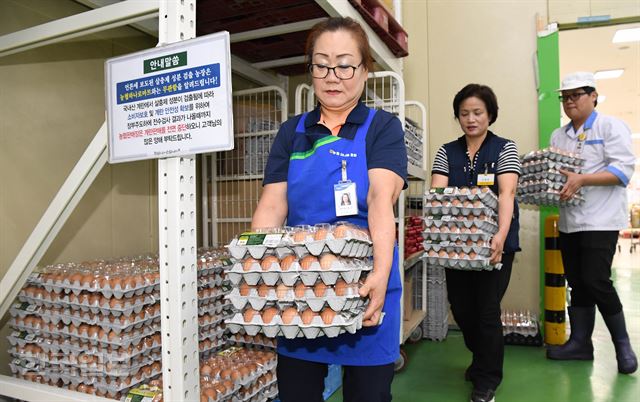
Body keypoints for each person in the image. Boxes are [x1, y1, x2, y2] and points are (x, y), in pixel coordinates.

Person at [251, 17, 407, 402]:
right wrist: (254, 267)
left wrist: (380, 276)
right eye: (321, 64)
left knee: (368, 395)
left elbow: (379, 201)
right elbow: (272, 205)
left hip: (364, 281)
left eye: (344, 64)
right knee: (297, 392)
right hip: (302, 286)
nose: (332, 76)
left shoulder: (381, 128)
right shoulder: (293, 131)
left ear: (366, 71)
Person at [430, 84, 521, 402]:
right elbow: (438, 195)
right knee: (462, 309)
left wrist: (500, 234)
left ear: (490, 115)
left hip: (496, 245)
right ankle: (482, 355)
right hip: (456, 246)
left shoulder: (505, 148)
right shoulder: (447, 151)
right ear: (458, 116)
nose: (471, 119)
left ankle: (487, 380)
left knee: (485, 311)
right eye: (465, 113)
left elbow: (507, 194)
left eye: (477, 112)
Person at [545, 71, 637, 374]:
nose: (570, 101)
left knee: (596, 280)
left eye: (576, 95)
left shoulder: (611, 126)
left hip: (601, 220)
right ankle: (581, 343)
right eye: (565, 97)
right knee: (578, 283)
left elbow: (623, 173)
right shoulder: (559, 136)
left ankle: (623, 345)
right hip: (571, 221)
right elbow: (555, 174)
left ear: (593, 96)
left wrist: (583, 179)